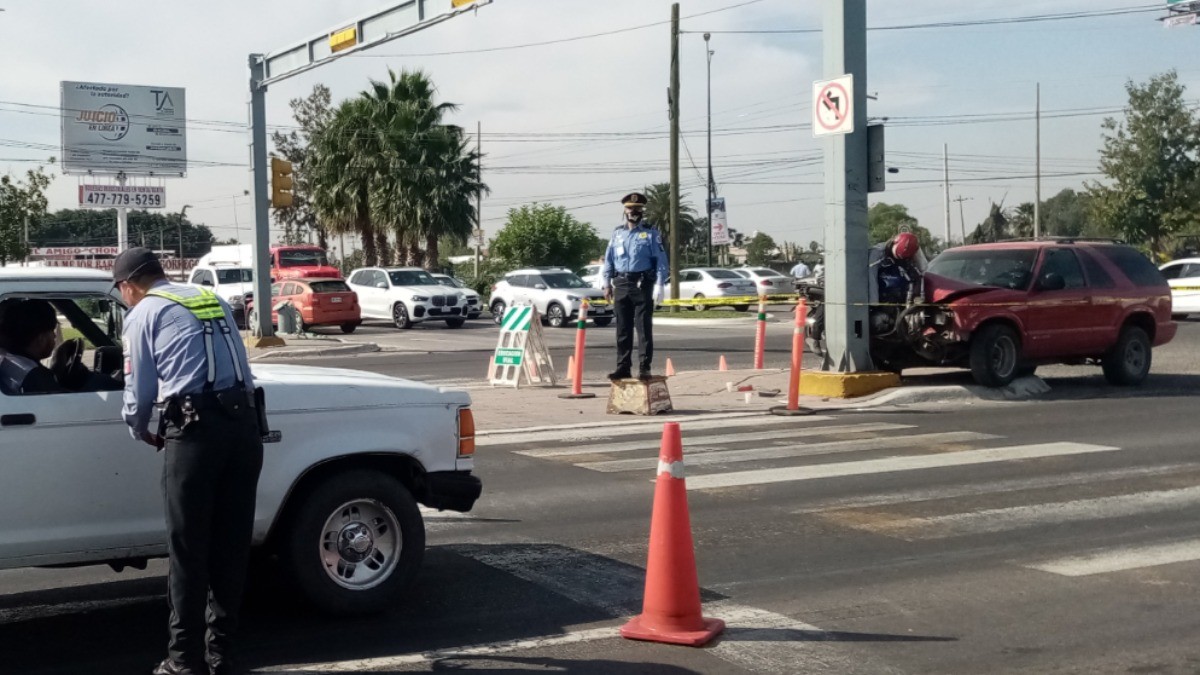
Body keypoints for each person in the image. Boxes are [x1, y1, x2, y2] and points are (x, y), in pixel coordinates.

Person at [114, 247, 264, 675]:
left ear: (129, 286)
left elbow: (139, 391)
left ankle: (183, 661)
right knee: (231, 548)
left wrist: (139, 427)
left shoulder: (142, 313)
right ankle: (224, 655)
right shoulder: (206, 297)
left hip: (196, 434)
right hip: (244, 428)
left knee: (188, 551)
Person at [602, 192, 670, 381]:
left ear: (642, 211)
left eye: (638, 209)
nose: (634, 212)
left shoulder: (650, 233)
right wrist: (606, 283)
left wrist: (660, 284)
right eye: (630, 209)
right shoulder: (617, 233)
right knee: (622, 329)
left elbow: (661, 260)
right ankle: (623, 367)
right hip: (621, 283)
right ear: (624, 210)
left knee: (643, 329)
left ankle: (644, 368)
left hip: (642, 284)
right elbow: (609, 260)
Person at [0, 298, 66, 394]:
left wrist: (57, 366)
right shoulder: (36, 376)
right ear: (41, 338)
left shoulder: (8, 359)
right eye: (52, 331)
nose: (55, 336)